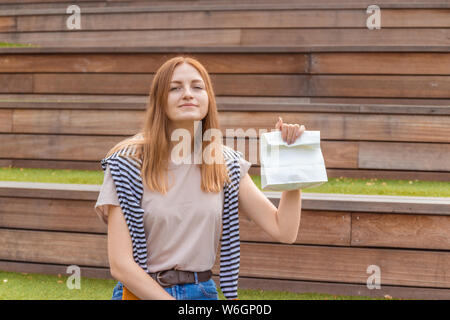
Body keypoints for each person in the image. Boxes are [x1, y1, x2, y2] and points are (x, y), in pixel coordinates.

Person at [94, 56, 304, 300]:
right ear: (159, 100)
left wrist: (293, 161)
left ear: (208, 99)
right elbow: (120, 264)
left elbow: (284, 231)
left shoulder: (226, 164)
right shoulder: (127, 163)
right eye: (175, 88)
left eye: (197, 86)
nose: (187, 94)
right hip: (141, 293)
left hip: (202, 293)